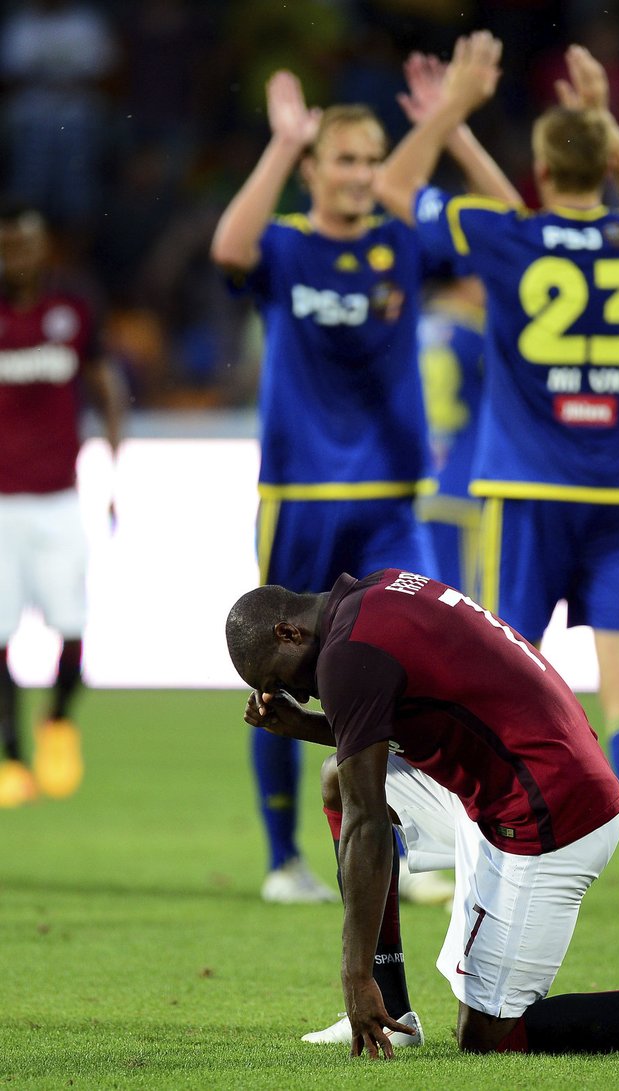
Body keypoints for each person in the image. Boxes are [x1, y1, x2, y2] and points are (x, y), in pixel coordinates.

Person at [224, 565, 619, 1058]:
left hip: (552, 814)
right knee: (339, 779)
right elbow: (390, 731)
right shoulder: (375, 595)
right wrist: (306, 728)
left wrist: (352, 976)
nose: (298, 694)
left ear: (288, 633)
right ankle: (395, 1014)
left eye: (284, 680)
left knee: (489, 1037)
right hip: (516, 781)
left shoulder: (347, 659)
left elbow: (368, 823)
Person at [374, 34, 619, 922]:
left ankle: (492, 852)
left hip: (530, 494)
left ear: (539, 170)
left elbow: (398, 192)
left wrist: (451, 111)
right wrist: (605, 123)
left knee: (513, 680)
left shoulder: (510, 240)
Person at [210, 61, 520, 903]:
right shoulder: (284, 246)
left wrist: (457, 126)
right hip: (302, 496)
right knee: (274, 673)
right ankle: (284, 858)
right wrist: (280, 145)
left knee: (420, 659)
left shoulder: (401, 245)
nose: (357, 174)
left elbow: (504, 221)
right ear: (315, 171)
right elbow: (228, 248)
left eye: (370, 159)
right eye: (342, 159)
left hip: (390, 497)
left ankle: (414, 839)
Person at [0, 200, 126, 808]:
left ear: (41, 247)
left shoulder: (71, 308)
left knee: (73, 627)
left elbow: (104, 383)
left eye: (25, 244)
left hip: (57, 498)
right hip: (0, 504)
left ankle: (56, 719)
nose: (16, 257)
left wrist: (115, 465)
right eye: (7, 246)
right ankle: (10, 756)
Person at [415, 272, 486, 596]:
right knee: (464, 610)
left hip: (417, 487)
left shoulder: (414, 328)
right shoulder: (479, 336)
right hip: (464, 486)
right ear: (462, 280)